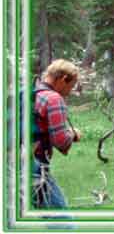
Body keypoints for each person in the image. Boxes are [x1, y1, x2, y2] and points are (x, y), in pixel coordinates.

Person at [32, 59, 81, 208]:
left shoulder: (32, 93)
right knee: (61, 219)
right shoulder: (54, 99)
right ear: (63, 79)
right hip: (35, 166)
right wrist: (73, 134)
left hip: (16, 162)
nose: (69, 92)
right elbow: (61, 142)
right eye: (71, 86)